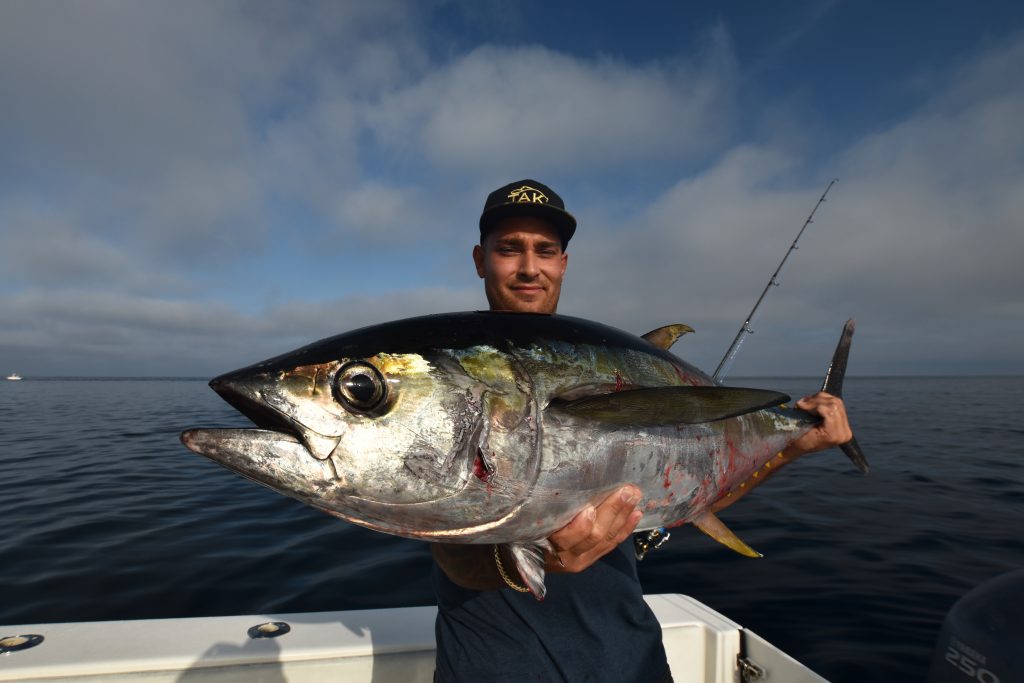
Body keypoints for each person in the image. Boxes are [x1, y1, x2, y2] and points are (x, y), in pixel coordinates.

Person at [430, 179, 853, 682]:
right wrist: (537, 562)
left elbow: (693, 494)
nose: (528, 267)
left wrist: (792, 447)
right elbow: (454, 552)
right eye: (508, 249)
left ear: (563, 263)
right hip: (494, 666)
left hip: (631, 661)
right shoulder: (451, 375)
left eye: (545, 250)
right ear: (481, 260)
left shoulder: (618, 363)